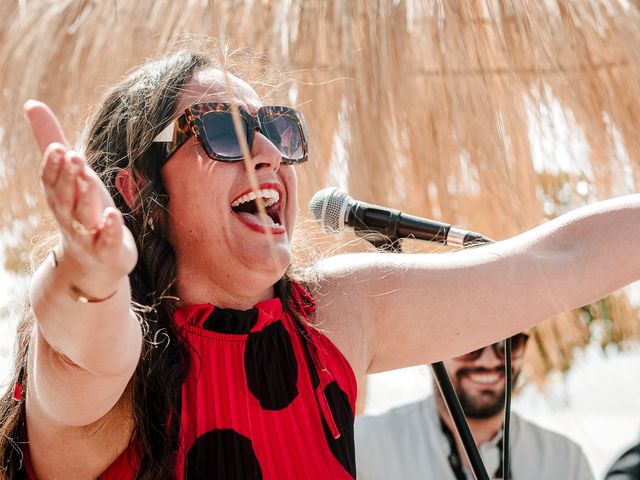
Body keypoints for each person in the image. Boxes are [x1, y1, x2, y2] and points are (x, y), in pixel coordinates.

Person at [1, 45, 640, 479]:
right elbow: (85, 341)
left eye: (277, 130)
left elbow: (561, 258)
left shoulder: (331, 317)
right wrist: (89, 269)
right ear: (140, 192)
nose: (266, 153)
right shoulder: (108, 367)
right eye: (220, 131)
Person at [355, 333, 595, 480]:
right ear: (428, 351)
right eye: (467, 342)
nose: (489, 360)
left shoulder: (567, 461)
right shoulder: (364, 446)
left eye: (508, 342)